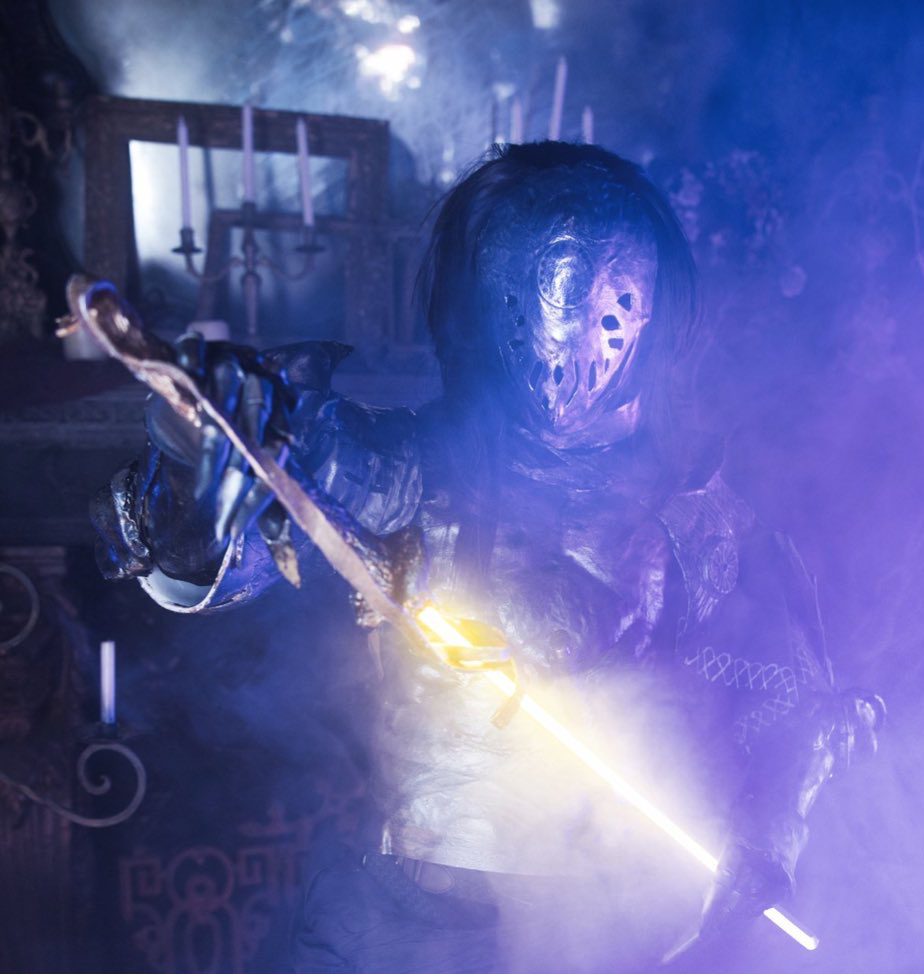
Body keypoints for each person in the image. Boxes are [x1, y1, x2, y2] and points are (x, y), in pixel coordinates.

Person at [92, 141, 882, 972]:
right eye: (542, 298)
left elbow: (807, 700)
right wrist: (189, 453)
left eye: (610, 305)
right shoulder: (403, 469)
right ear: (483, 302)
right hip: (415, 922)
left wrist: (769, 836)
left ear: (650, 306)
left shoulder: (707, 508)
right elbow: (198, 569)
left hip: (627, 920)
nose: (574, 340)